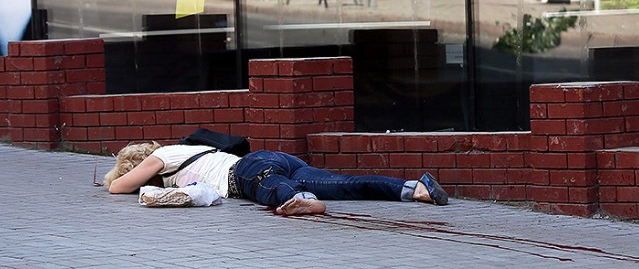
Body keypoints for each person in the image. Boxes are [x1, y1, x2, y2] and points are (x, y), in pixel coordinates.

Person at [104, 141, 448, 215]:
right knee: (342, 182)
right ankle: (413, 188)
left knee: (274, 190)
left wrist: (116, 177)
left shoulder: (163, 157)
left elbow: (119, 187)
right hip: (274, 158)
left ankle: (306, 204)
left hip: (247, 172)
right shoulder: (189, 149)